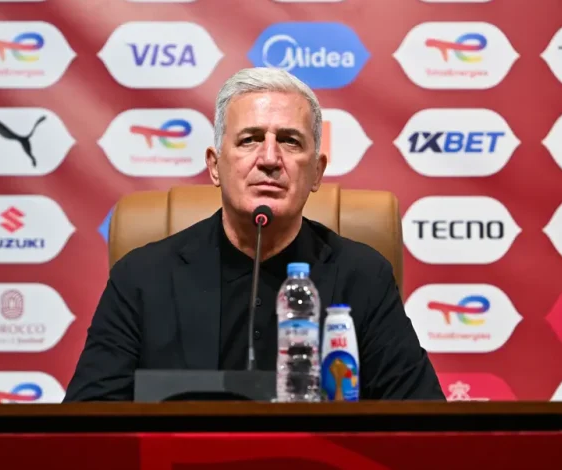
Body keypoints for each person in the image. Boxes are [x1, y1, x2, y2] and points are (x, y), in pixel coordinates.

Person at [63, 67, 445, 402]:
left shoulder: (363, 276)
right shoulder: (142, 278)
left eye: (290, 141)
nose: (269, 159)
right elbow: (87, 427)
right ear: (215, 166)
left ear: (316, 172)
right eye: (249, 139)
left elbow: (423, 424)